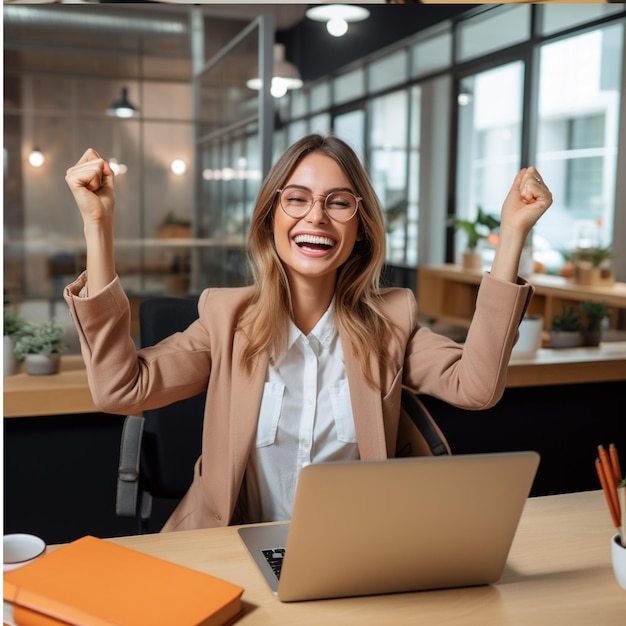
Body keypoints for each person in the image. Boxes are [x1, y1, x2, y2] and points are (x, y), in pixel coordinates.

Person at [64, 134, 552, 531]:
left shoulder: (391, 321)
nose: (315, 216)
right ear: (271, 218)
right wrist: (98, 226)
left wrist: (511, 234)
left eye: (338, 202)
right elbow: (119, 388)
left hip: (350, 553)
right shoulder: (225, 317)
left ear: (359, 228)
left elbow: (478, 386)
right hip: (230, 548)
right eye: (296, 199)